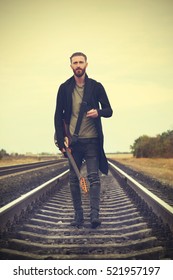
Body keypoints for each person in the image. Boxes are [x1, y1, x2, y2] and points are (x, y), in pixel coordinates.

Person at [54, 52, 113, 228]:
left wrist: (98, 112)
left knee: (94, 178)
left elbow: (109, 110)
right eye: (75, 63)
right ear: (71, 66)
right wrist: (61, 138)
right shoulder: (64, 88)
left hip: (93, 140)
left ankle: (94, 216)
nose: (78, 65)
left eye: (81, 62)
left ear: (86, 64)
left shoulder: (96, 86)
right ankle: (78, 217)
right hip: (74, 142)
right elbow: (58, 115)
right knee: (73, 179)